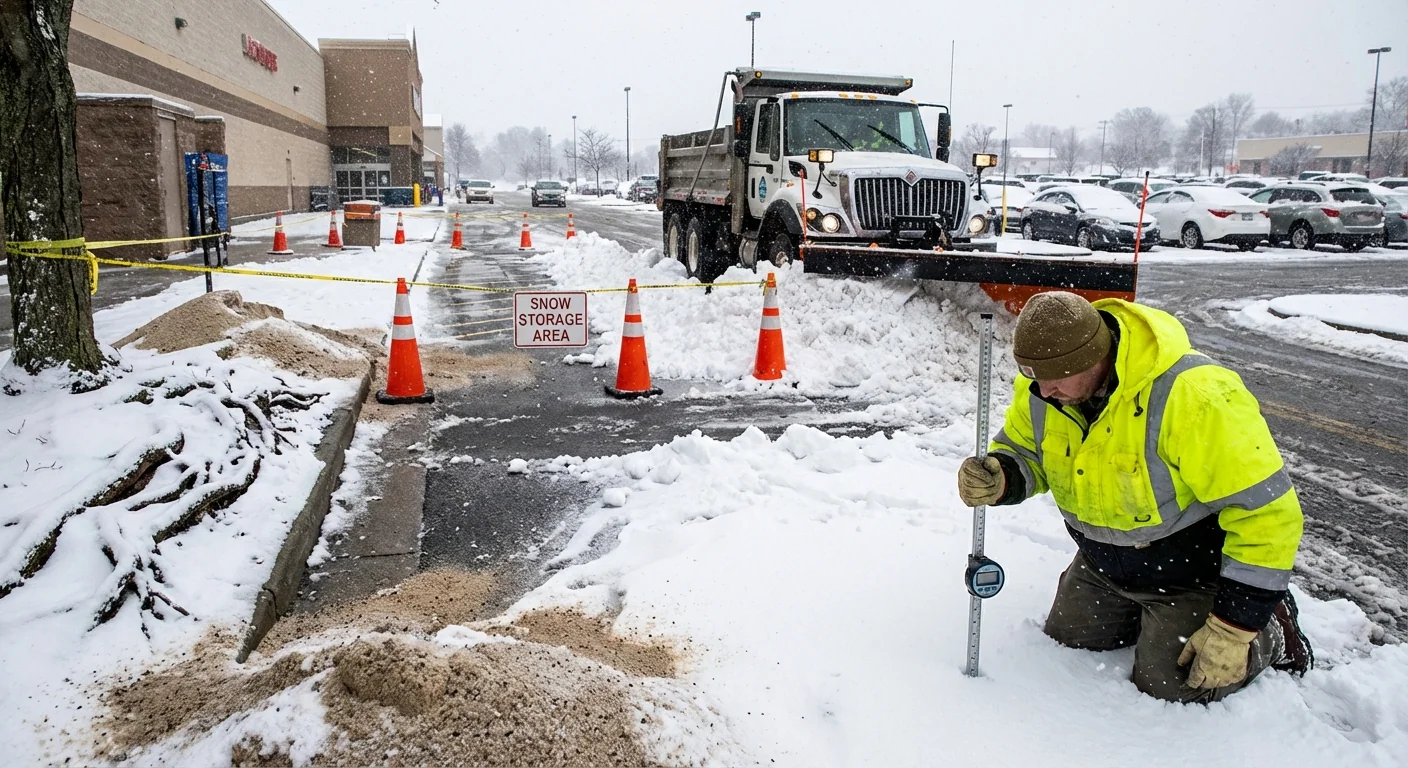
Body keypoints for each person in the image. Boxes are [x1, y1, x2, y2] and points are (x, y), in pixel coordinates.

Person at [957, 291, 1313, 703]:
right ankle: (1146, 619)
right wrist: (1001, 477)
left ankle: (1273, 630)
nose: (1043, 390)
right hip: (1104, 568)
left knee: (1174, 683)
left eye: (1054, 377)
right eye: (1035, 377)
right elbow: (1026, 451)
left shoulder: (1194, 395)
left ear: (1093, 358)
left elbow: (1266, 513)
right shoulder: (1045, 392)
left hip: (1193, 574)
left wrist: (1235, 627)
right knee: (1068, 640)